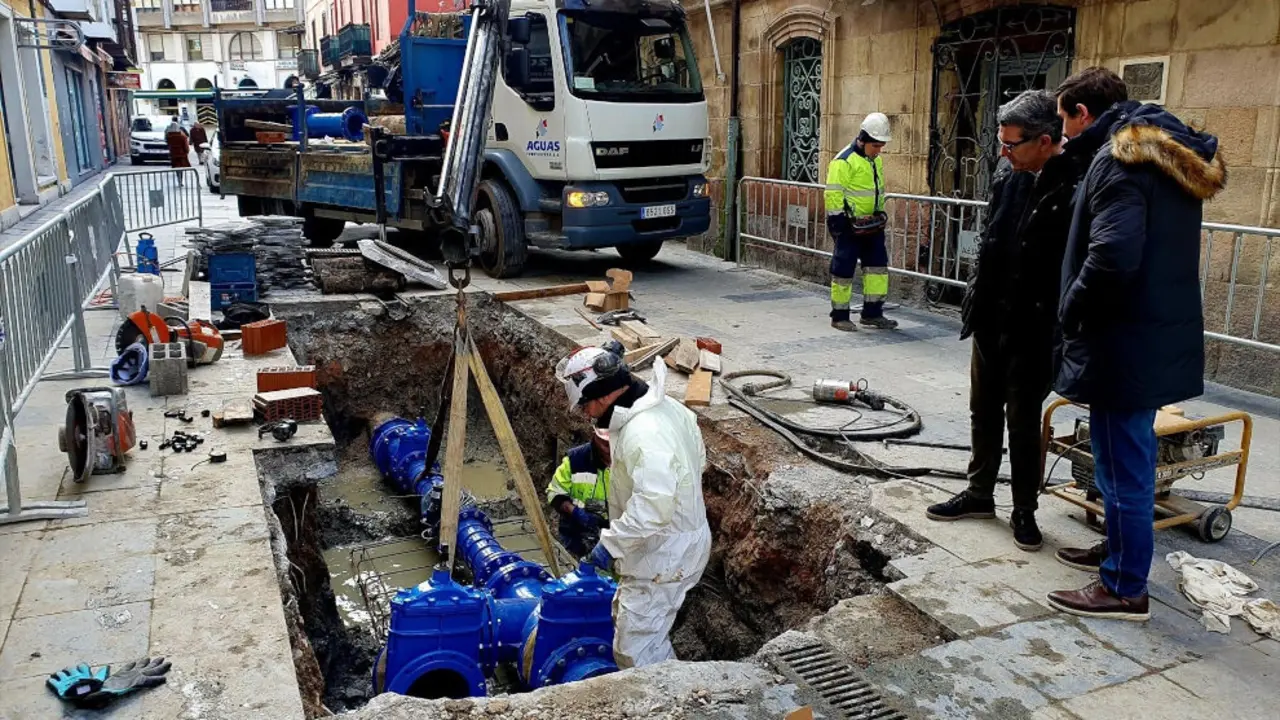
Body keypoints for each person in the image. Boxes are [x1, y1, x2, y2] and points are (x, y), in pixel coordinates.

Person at [1046, 67, 1226, 621]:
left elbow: (1113, 255)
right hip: (1146, 333)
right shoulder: (1166, 156)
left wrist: (1071, 311)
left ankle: (1125, 587)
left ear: (1081, 113)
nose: (1066, 133)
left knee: (1123, 465)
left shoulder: (1118, 160)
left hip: (1122, 339)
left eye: (1064, 121)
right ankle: (1115, 552)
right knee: (1119, 456)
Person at [925, 90, 1093, 552]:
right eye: (1000, 143)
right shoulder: (1007, 172)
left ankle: (1024, 510)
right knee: (983, 410)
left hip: (1035, 324)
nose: (1003, 152)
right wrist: (977, 293)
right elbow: (991, 235)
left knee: (1022, 421)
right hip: (991, 315)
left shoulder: (1075, 182)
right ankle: (980, 494)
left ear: (1043, 141)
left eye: (1011, 144)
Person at [556, 341, 711, 668]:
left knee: (634, 650)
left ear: (604, 394)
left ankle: (671, 702)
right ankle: (679, 684)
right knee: (635, 624)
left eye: (586, 405)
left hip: (666, 552)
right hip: (670, 540)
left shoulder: (644, 432)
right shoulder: (666, 408)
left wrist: (609, 546)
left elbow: (653, 508)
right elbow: (698, 460)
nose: (586, 414)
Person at [824, 112, 898, 331]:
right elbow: (833, 194)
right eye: (875, 145)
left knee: (877, 268)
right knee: (843, 271)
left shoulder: (874, 160)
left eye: (881, 146)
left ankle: (873, 313)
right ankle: (839, 316)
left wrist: (878, 215)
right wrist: (838, 224)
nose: (879, 150)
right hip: (848, 225)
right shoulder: (844, 161)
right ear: (863, 139)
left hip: (872, 225)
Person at [546, 428, 612, 557]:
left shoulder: (631, 461)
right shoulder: (576, 460)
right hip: (577, 536)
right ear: (595, 437)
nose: (610, 450)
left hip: (614, 535)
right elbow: (554, 493)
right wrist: (576, 512)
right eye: (606, 444)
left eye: (615, 443)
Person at [165, 118, 190, 186]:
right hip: (181, 154)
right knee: (180, 168)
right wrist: (187, 151)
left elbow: (167, 143)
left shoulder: (169, 136)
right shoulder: (182, 136)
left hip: (173, 154)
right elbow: (185, 145)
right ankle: (180, 180)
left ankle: (179, 179)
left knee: (176, 167)